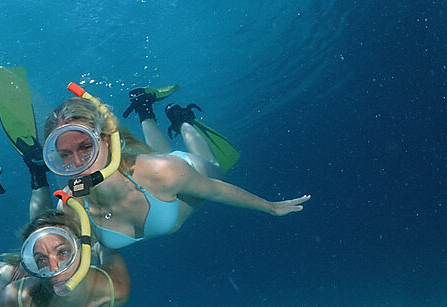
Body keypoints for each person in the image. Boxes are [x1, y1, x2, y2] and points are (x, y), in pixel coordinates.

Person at [41, 84, 310, 250]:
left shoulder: (165, 172)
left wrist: (271, 207)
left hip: (187, 168)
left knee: (213, 165)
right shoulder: (70, 205)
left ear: (108, 141)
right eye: (65, 155)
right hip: (155, 168)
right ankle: (144, 108)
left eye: (86, 147)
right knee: (161, 155)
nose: (78, 163)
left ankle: (182, 119)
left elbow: (215, 191)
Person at [0, 142, 130, 307]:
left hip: (49, 277)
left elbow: (106, 244)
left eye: (63, 252)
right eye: (40, 258)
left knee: (44, 234)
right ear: (30, 262)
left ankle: (37, 171)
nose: (53, 267)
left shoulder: (117, 287)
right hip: (28, 282)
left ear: (81, 248)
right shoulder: (13, 306)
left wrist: (96, 243)